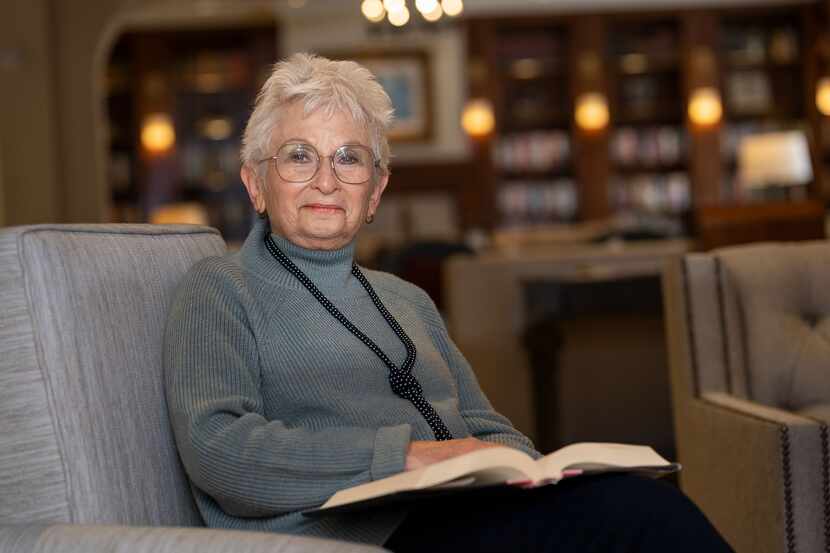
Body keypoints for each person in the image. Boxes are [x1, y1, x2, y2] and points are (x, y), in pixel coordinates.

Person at [164, 52, 732, 552]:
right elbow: (221, 452)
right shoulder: (219, 289)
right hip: (354, 538)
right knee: (642, 520)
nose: (326, 181)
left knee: (634, 500)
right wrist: (405, 456)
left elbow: (485, 424)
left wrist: (530, 468)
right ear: (255, 183)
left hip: (464, 514)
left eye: (349, 158)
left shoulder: (407, 298)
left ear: (375, 192)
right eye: (298, 156)